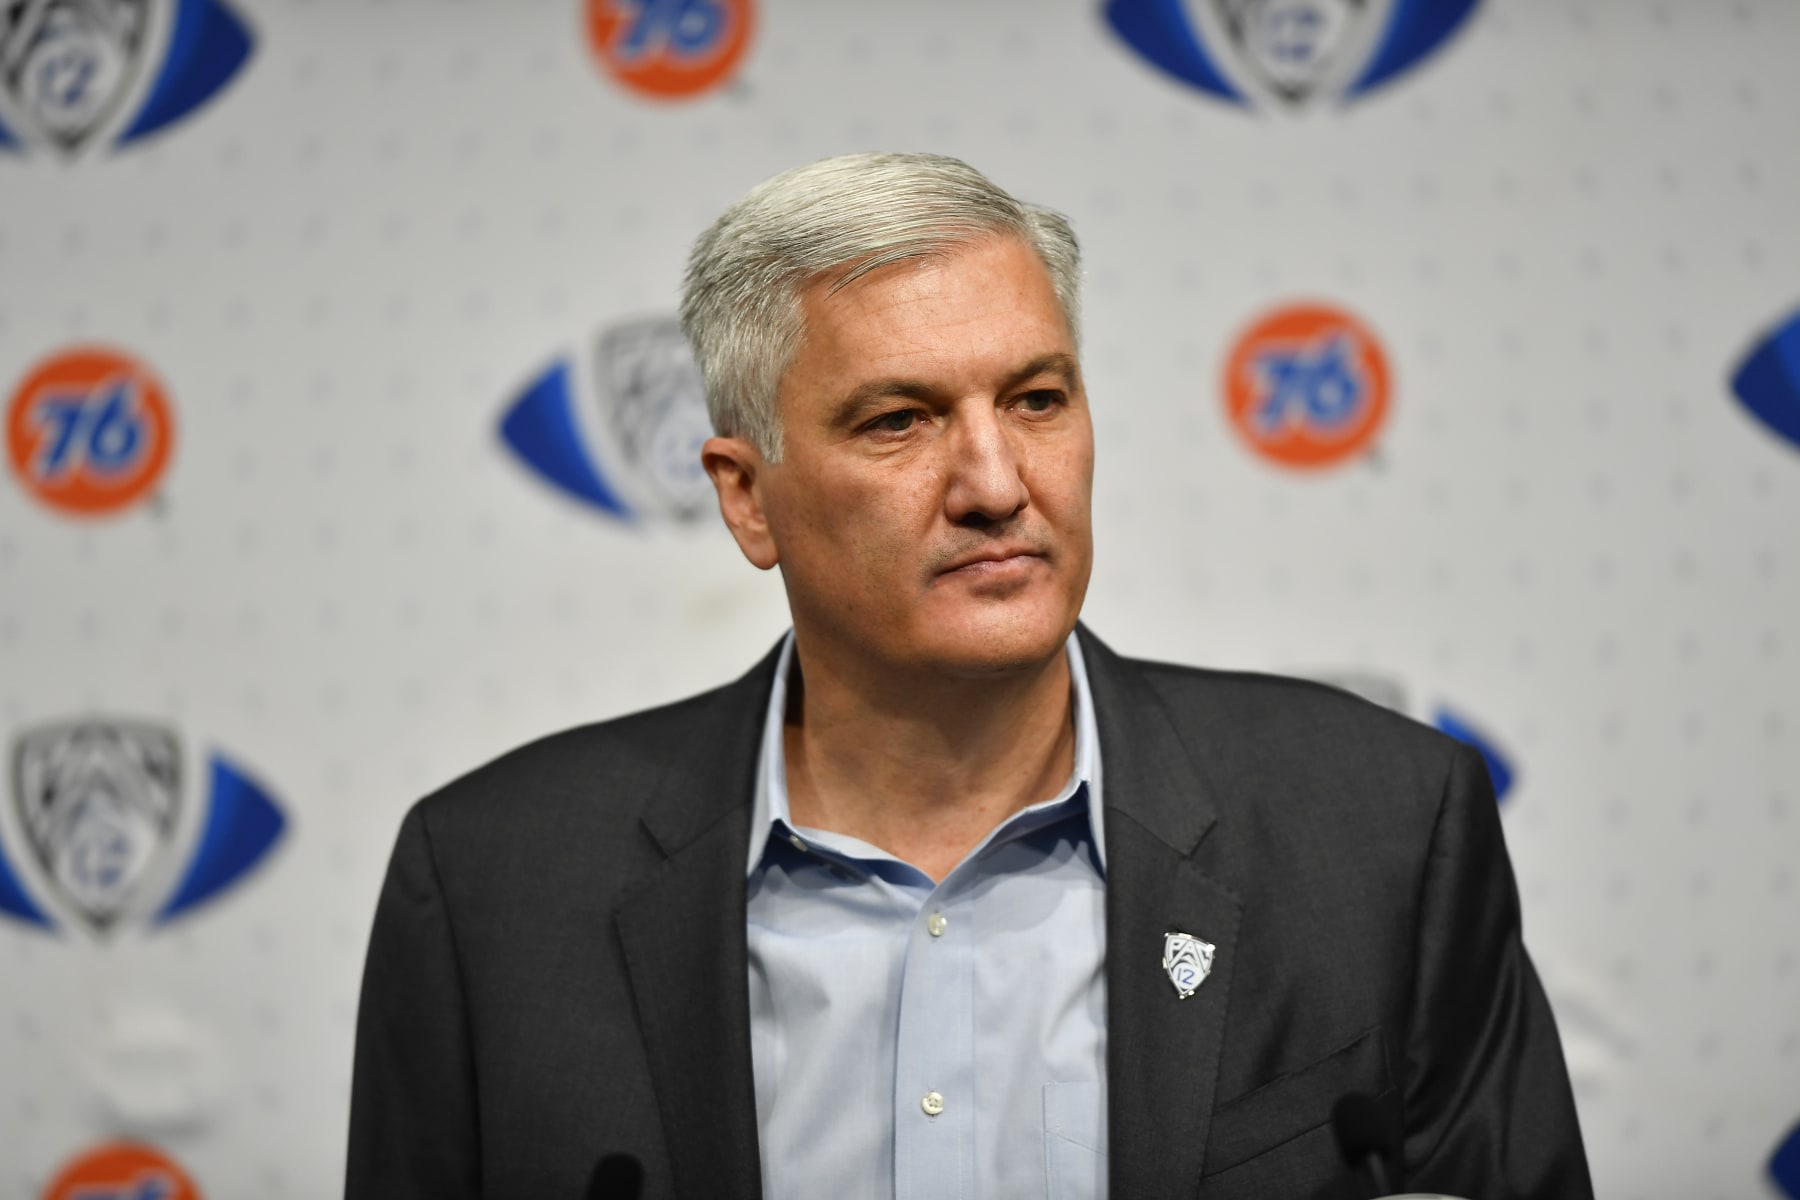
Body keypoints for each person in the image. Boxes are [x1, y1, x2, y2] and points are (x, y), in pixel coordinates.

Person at [346, 153, 1593, 1200]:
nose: (997, 483)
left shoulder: (1376, 832)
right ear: (747, 496)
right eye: (899, 420)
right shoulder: (492, 893)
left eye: (1038, 398)